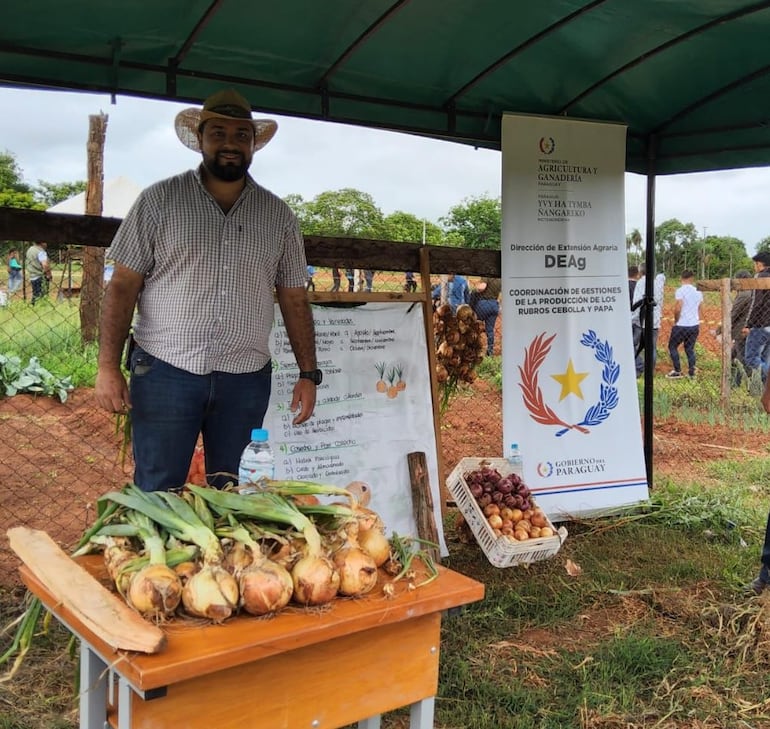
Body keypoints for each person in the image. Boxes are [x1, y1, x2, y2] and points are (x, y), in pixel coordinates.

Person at [94, 88, 320, 492]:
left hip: (245, 378)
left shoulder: (278, 215)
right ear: (200, 140)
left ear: (253, 144)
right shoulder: (159, 201)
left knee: (236, 493)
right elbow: (122, 286)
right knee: (158, 490)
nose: (230, 144)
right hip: (166, 370)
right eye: (218, 133)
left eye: (240, 135)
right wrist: (108, 367)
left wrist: (308, 374)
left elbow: (293, 296)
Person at [714, 268, 752, 385]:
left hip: (742, 331)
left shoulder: (744, 294)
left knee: (740, 358)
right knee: (734, 356)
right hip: (745, 330)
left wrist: (718, 331)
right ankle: (734, 382)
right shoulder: (751, 292)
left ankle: (739, 382)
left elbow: (732, 314)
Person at [666, 270, 703, 378]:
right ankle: (692, 372)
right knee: (689, 348)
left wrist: (676, 320)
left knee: (672, 346)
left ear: (681, 278)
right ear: (692, 278)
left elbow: (678, 307)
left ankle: (677, 371)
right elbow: (700, 308)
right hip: (694, 325)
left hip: (682, 324)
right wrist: (696, 319)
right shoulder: (698, 291)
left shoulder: (680, 291)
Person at [631, 263, 665, 377]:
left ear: (640, 272)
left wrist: (633, 319)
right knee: (652, 348)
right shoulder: (658, 283)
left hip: (641, 321)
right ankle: (649, 373)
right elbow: (660, 302)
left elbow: (637, 302)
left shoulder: (641, 283)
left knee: (634, 345)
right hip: (654, 321)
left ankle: (638, 368)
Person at [742, 252, 770, 384]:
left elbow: (755, 302)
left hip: (761, 325)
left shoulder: (759, 277)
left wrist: (748, 324)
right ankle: (765, 392)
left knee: (752, 358)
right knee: (764, 359)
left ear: (759, 264)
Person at [469, 276, 501, 356]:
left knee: (473, 325)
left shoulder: (487, 275)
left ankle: (474, 348)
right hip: (494, 305)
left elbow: (482, 287)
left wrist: (474, 288)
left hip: (483, 305)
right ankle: (490, 351)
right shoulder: (499, 278)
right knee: (490, 330)